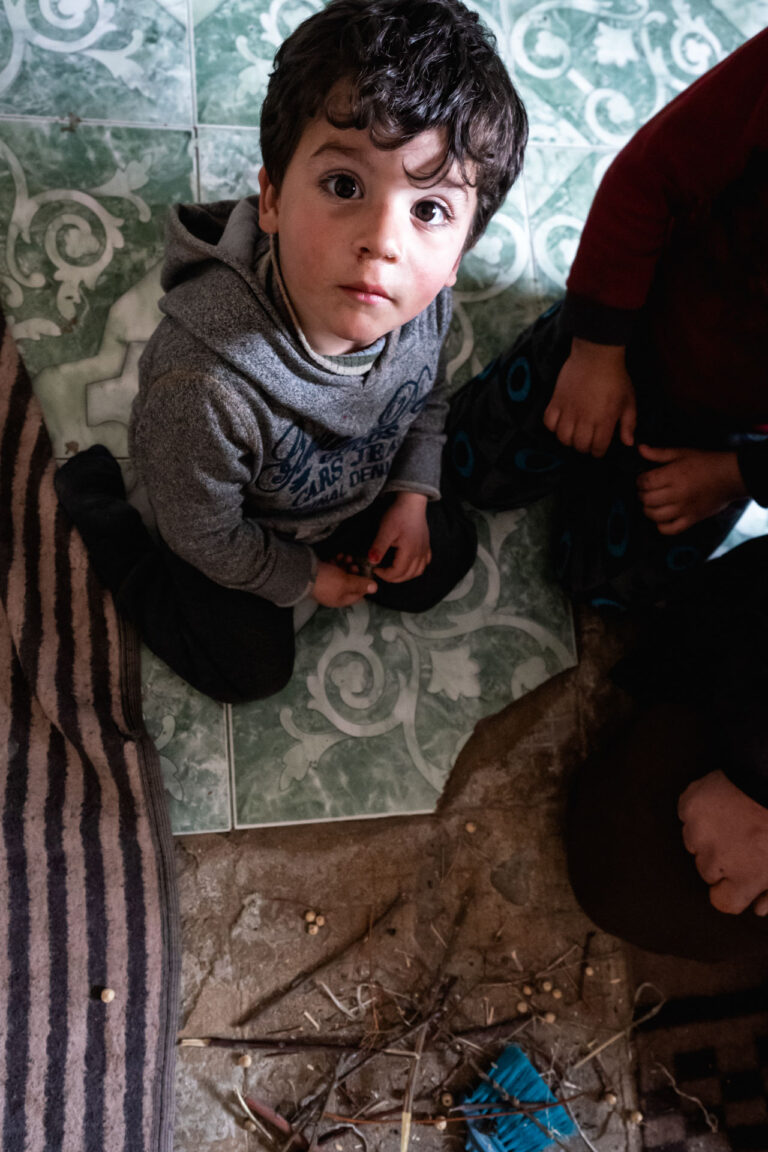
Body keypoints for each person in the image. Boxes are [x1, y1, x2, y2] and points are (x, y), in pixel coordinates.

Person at [53, 0, 528, 704]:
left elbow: (424, 392)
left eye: (429, 210)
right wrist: (303, 576)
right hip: (231, 521)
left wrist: (412, 495)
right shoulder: (203, 385)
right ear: (271, 200)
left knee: (442, 556)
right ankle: (103, 517)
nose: (383, 242)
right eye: (345, 186)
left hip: (344, 488)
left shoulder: (419, 301)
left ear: (459, 255)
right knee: (247, 669)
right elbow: (204, 534)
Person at [445, 27, 768, 610]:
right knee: (465, 463)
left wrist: (737, 474)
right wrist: (596, 353)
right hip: (635, 322)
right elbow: (650, 175)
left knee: (598, 588)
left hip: (730, 439)